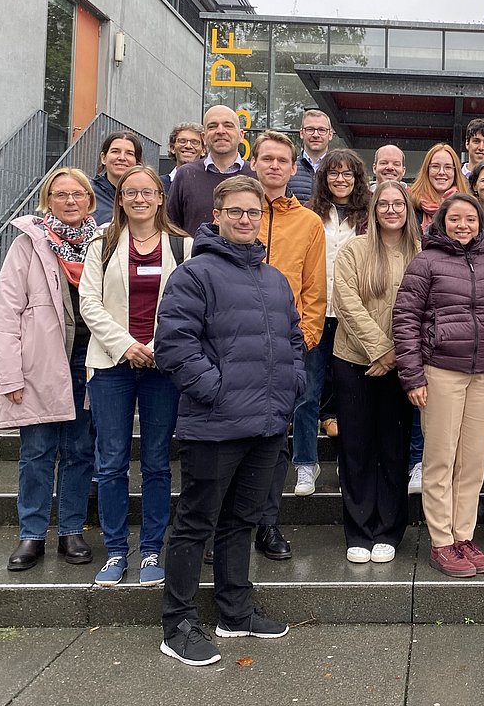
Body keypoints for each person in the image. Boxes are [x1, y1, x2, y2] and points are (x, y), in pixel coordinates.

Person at [154, 175, 307, 667]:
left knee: (243, 520)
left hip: (267, 424)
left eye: (253, 212)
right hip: (215, 424)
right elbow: (175, 347)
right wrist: (216, 392)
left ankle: (234, 612)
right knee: (195, 524)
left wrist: (292, 386)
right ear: (216, 216)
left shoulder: (275, 278)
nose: (246, 219)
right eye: (236, 211)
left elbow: (293, 342)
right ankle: (177, 624)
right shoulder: (194, 274)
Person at [393, 194, 484, 578]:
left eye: (470, 219)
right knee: (439, 460)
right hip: (441, 372)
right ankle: (441, 542)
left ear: (480, 224)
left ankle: (463, 535)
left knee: (472, 462)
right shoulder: (426, 261)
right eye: (456, 219)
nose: (463, 225)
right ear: (442, 223)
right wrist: (413, 375)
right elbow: (406, 320)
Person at [79, 165, 191, 587]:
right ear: (121, 198)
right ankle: (114, 552)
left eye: (148, 192)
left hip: (163, 366)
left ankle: (150, 552)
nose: (139, 198)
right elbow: (89, 302)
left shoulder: (183, 245)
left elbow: (190, 305)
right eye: (130, 192)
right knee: (110, 463)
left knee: (158, 463)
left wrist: (161, 347)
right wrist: (126, 345)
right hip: (111, 364)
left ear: (161, 197)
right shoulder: (102, 243)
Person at [0, 167, 99, 572]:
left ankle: (71, 530)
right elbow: (5, 315)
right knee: (36, 452)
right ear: (47, 201)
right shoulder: (28, 246)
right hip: (39, 364)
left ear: (89, 199)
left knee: (79, 451)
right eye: (60, 194)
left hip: (89, 363)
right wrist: (9, 375)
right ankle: (31, 535)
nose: (70, 201)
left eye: (77, 194)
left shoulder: (104, 243)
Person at [331, 181, 422, 563]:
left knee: (393, 447)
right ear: (373, 209)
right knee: (356, 447)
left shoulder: (422, 253)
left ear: (408, 209)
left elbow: (428, 309)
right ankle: (359, 529)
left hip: (403, 366)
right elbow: (346, 301)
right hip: (355, 362)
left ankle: (388, 528)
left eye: (397, 203)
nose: (390, 209)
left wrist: (397, 354)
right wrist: (381, 349)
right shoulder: (354, 248)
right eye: (383, 203)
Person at [250, 132, 327, 561]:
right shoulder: (235, 212)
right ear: (254, 162)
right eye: (268, 159)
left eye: (283, 160)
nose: (275, 166)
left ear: (294, 169)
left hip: (286, 345)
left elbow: (315, 290)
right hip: (233, 347)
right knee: (231, 442)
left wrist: (306, 339)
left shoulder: (309, 223)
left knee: (276, 441)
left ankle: (267, 523)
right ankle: (228, 525)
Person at [307, 149, 371, 440]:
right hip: (317, 306)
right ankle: (320, 421)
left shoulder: (369, 214)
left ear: (358, 178)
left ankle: (336, 417)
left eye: (348, 173)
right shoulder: (310, 213)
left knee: (346, 373)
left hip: (355, 307)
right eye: (333, 172)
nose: (340, 179)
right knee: (314, 375)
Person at [167, 106, 256, 235]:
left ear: (241, 135)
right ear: (203, 137)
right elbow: (171, 228)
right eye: (213, 126)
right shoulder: (186, 175)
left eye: (228, 125)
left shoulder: (256, 174)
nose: (220, 131)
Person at [410, 143, 469, 232]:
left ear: (455, 172)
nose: (441, 172)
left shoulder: (469, 207)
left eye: (448, 167)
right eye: (435, 166)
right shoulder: (410, 206)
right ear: (427, 170)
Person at [92, 132, 141, 224]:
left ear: (137, 162)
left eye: (129, 153)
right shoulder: (88, 193)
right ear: (103, 158)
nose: (122, 158)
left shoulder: (147, 196)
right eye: (115, 151)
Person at [287, 109, 333, 205]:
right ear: (301, 133)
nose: (316, 135)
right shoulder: (288, 168)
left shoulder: (338, 172)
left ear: (330, 134)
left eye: (322, 130)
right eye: (310, 129)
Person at [162, 123, 204, 192]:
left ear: (203, 150)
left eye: (194, 142)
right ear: (172, 148)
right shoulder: (159, 185)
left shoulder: (211, 185)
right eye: (182, 141)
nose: (188, 146)